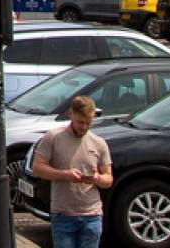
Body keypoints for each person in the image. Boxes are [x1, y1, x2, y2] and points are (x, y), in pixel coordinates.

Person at [31, 95, 113, 248]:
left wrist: (97, 178)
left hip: (92, 215)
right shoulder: (53, 138)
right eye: (80, 122)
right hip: (63, 215)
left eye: (88, 123)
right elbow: (38, 168)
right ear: (71, 114)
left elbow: (108, 179)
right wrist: (65, 174)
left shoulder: (99, 143)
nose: (83, 127)